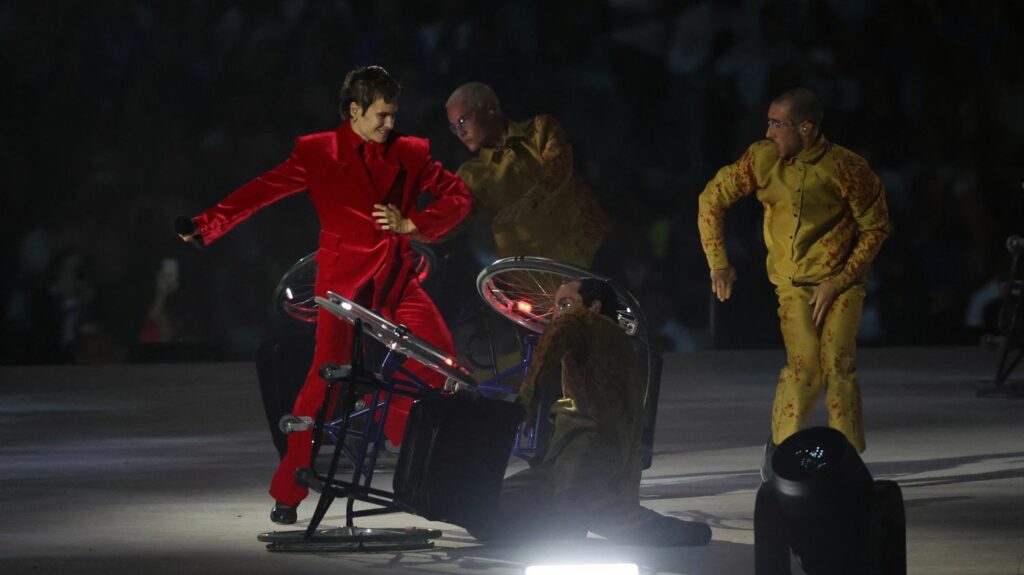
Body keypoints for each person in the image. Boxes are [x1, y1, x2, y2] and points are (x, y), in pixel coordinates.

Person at [177, 66, 473, 524]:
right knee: (326, 377)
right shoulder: (318, 152)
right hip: (342, 284)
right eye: (381, 115)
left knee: (442, 359)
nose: (390, 125)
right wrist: (206, 224)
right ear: (354, 111)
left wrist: (416, 223)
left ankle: (396, 432)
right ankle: (289, 489)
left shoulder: (411, 153)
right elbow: (263, 190)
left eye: (393, 115)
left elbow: (459, 196)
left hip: (396, 278)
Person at [696, 87, 889, 477]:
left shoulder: (846, 167)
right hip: (793, 282)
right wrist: (719, 263)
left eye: (776, 125)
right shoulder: (762, 160)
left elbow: (876, 226)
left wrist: (841, 280)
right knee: (804, 367)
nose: (769, 133)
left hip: (841, 281)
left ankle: (848, 459)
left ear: (806, 128)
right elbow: (711, 200)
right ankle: (781, 447)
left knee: (838, 365)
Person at [465, 278, 712, 546]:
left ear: (593, 306)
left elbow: (560, 329)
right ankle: (562, 529)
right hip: (573, 447)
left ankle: (672, 531)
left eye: (565, 304)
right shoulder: (615, 343)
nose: (557, 313)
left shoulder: (588, 323)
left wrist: (526, 399)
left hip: (590, 440)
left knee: (577, 499)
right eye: (557, 306)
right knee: (486, 509)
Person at [445, 82, 608, 269]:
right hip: (542, 278)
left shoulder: (541, 130)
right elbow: (449, 218)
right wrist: (409, 230)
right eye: (454, 127)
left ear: (490, 109)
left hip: (593, 250)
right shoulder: (471, 175)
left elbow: (559, 168)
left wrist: (528, 202)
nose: (460, 132)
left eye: (463, 121)